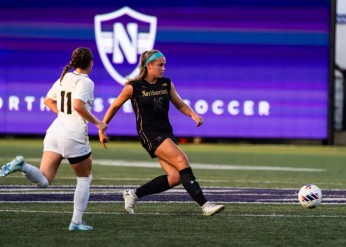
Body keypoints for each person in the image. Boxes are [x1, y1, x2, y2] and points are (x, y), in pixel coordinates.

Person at [98, 49, 225, 216]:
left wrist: (193, 114)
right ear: (149, 65)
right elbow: (114, 106)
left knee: (174, 177)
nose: (163, 68)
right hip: (149, 133)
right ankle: (205, 205)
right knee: (182, 161)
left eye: (164, 65)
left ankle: (133, 194)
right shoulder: (133, 87)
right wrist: (102, 128)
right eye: (160, 65)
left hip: (166, 132)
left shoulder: (166, 84)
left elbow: (180, 104)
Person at [0, 47, 107, 230]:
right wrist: (99, 123)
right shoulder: (86, 82)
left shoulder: (64, 77)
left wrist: (64, 115)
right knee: (84, 179)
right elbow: (79, 106)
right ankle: (76, 222)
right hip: (73, 136)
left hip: (55, 132)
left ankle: (22, 166)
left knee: (45, 180)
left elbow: (48, 101)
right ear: (91, 63)